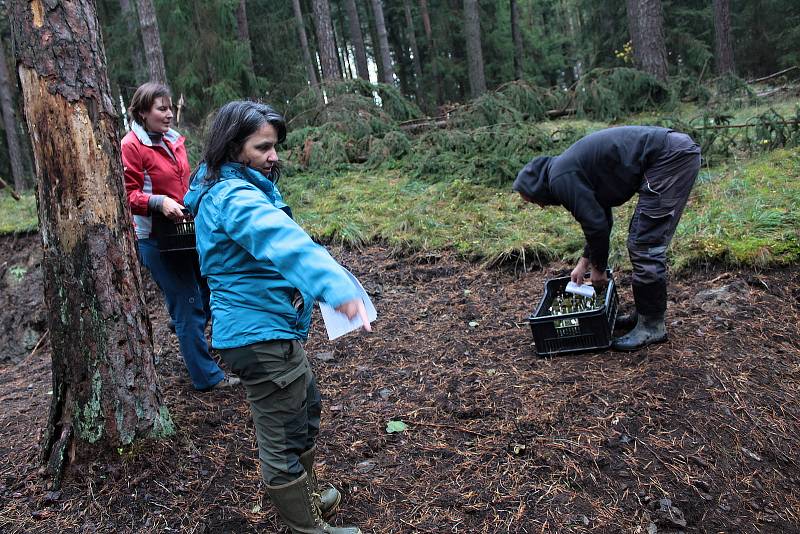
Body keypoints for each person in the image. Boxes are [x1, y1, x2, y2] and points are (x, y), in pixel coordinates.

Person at [184, 101, 370, 534]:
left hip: (272, 328)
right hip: (256, 335)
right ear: (234, 148)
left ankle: (306, 499)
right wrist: (335, 286)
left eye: (275, 146)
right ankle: (306, 528)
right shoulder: (232, 197)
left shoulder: (245, 188)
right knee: (283, 433)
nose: (273, 156)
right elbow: (283, 241)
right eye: (262, 147)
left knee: (305, 410)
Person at [513, 126, 701, 351]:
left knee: (644, 244)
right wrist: (585, 262)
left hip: (669, 158)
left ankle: (652, 326)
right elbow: (601, 217)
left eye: (534, 201)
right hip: (670, 153)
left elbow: (596, 225)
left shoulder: (560, 179)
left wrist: (599, 269)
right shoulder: (564, 170)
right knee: (641, 239)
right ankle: (644, 316)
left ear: (536, 189)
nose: (541, 206)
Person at [122, 82, 239, 391]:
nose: (170, 114)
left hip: (185, 233)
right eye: (162, 108)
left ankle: (185, 324)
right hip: (156, 240)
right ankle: (207, 377)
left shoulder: (174, 140)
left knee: (207, 291)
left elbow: (183, 183)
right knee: (189, 303)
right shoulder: (131, 145)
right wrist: (158, 203)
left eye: (170, 107)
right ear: (143, 112)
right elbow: (127, 194)